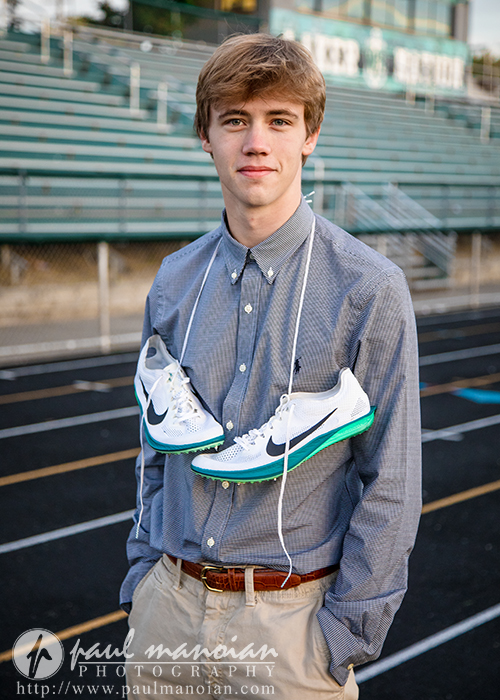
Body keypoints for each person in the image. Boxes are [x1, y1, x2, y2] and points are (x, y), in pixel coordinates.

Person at [120, 33, 421, 700]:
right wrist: (144, 581)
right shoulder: (172, 281)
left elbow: (391, 480)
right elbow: (150, 450)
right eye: (235, 120)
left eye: (278, 120)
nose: (256, 142)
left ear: (309, 134)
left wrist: (341, 636)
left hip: (291, 634)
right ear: (207, 135)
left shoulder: (369, 288)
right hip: (166, 615)